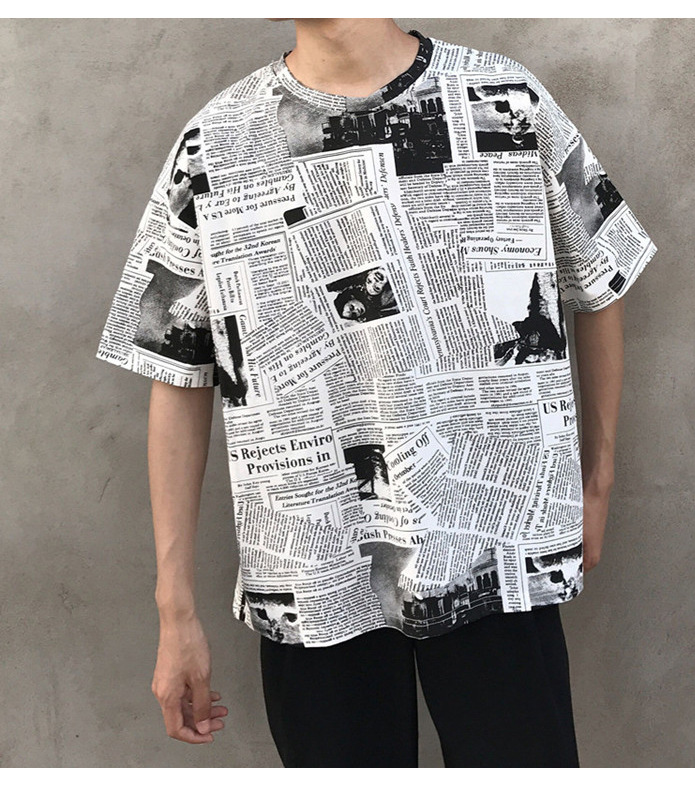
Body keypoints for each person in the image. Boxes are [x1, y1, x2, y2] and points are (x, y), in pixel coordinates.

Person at [95, 18, 657, 767]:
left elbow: (601, 275)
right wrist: (175, 611)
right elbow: (176, 374)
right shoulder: (213, 144)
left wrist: (599, 477)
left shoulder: (506, 98)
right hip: (312, 570)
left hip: (493, 549)